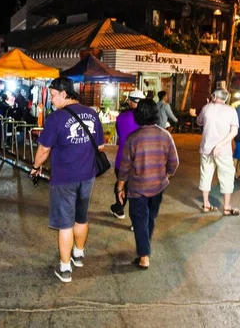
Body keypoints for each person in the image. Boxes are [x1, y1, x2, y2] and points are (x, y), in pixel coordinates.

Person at [29, 77, 104, 283]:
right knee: (81, 217)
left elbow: (44, 149)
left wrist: (36, 168)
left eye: (52, 95)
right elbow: (100, 146)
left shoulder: (56, 118)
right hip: (87, 176)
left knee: (65, 224)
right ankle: (78, 255)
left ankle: (65, 268)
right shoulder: (91, 113)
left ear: (64, 94)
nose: (51, 100)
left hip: (63, 179)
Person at [117, 99, 179, 269]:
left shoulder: (133, 138)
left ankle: (144, 256)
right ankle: (145, 246)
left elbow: (124, 167)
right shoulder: (165, 135)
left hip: (137, 188)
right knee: (150, 218)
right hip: (158, 187)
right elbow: (174, 162)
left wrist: (120, 187)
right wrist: (164, 175)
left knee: (139, 220)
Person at [196, 88, 240, 216]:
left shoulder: (206, 108)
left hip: (206, 149)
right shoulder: (231, 110)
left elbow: (199, 122)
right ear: (225, 98)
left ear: (214, 96)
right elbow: (234, 132)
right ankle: (226, 207)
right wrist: (220, 145)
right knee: (227, 176)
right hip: (223, 150)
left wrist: (208, 104)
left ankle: (206, 205)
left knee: (206, 175)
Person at [110, 90, 146, 220]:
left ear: (130, 101)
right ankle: (136, 220)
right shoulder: (146, 119)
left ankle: (119, 208)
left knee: (121, 184)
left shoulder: (121, 117)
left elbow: (120, 133)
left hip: (123, 158)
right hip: (142, 161)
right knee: (137, 190)